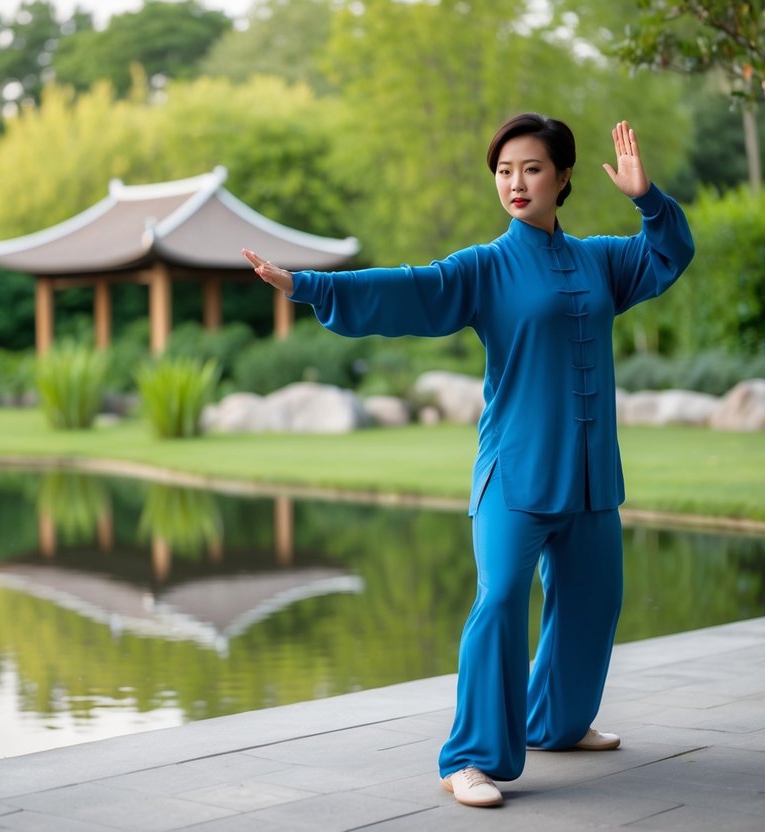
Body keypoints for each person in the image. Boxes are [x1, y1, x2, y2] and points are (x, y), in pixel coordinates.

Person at [242, 115, 694, 809]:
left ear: (563, 177)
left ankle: (558, 726)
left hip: (591, 477)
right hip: (515, 475)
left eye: (532, 168)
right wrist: (311, 288)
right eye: (504, 170)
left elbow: (668, 254)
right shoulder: (485, 266)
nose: (515, 183)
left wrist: (647, 199)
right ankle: (468, 759)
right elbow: (410, 287)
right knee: (500, 601)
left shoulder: (603, 260)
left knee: (592, 605)